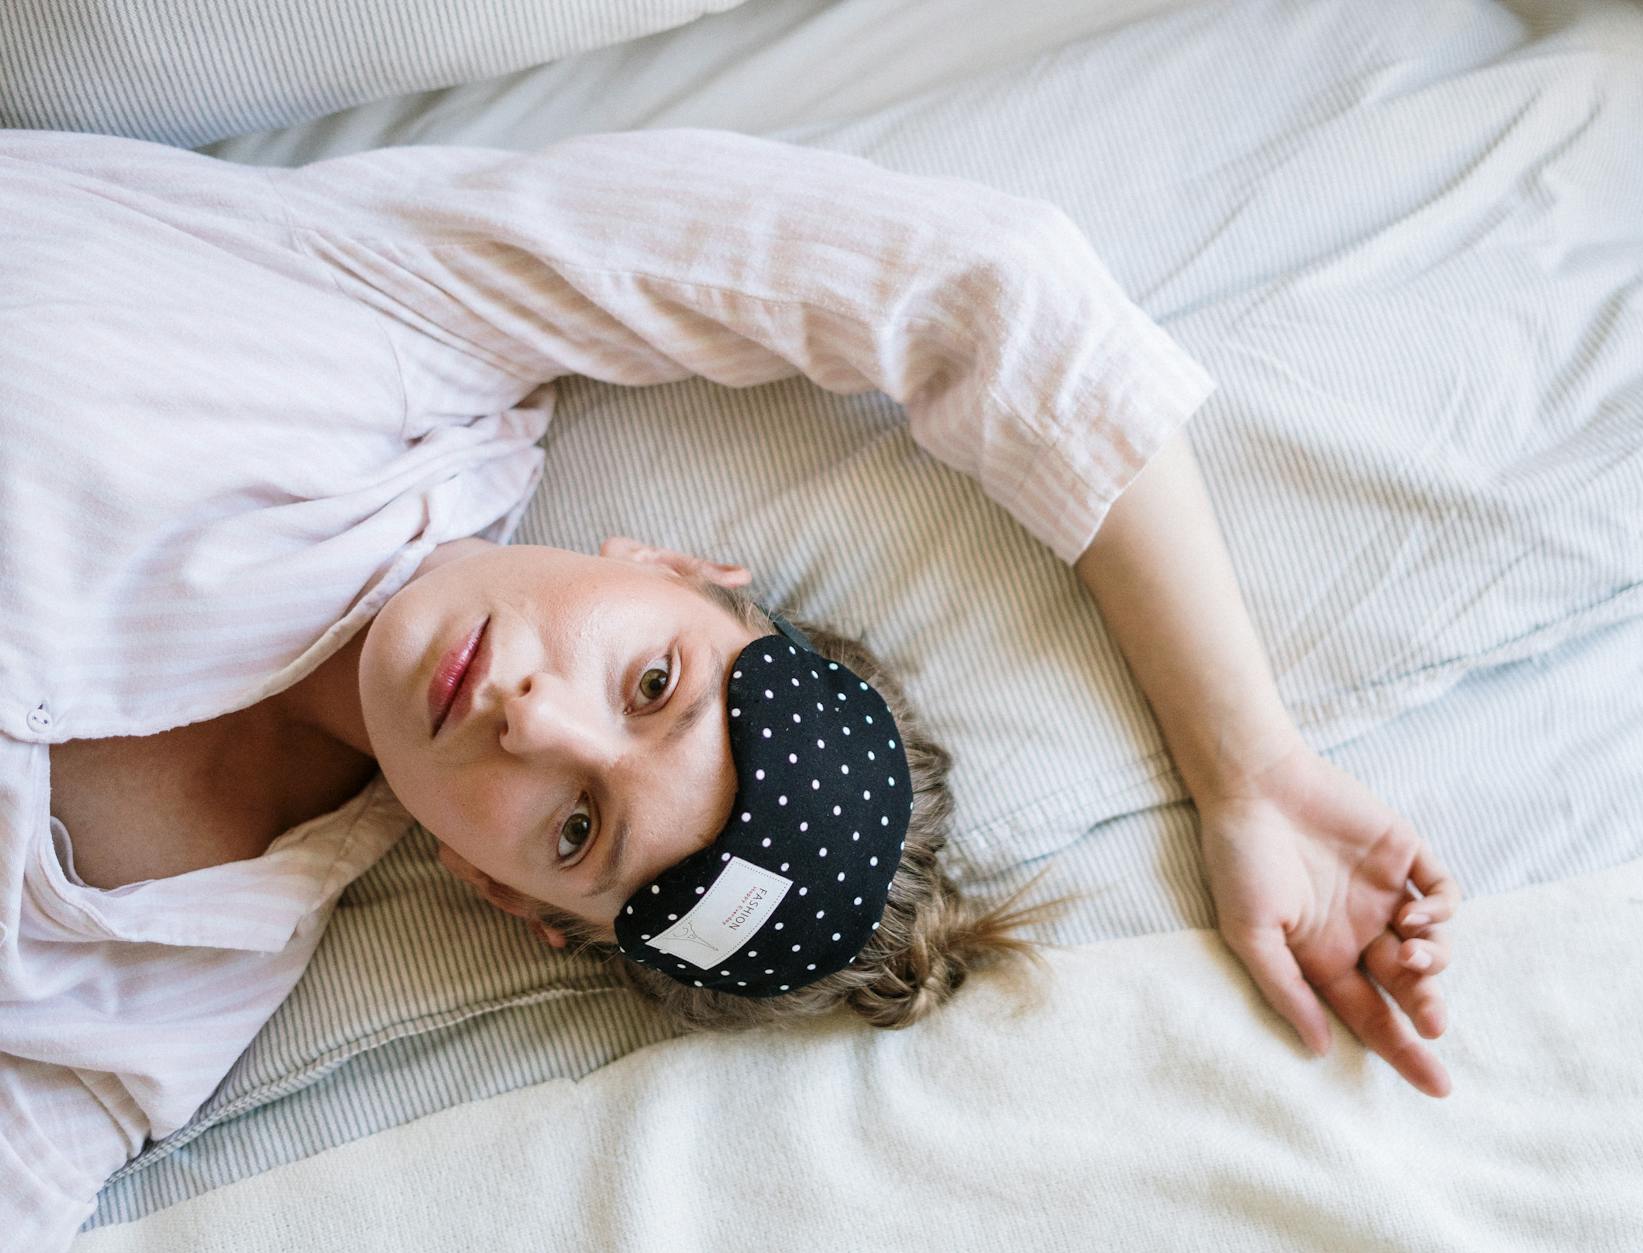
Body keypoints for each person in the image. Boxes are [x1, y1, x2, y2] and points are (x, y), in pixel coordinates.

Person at [0, 125, 1460, 1248]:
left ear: (505, 895)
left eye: (576, 829)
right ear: (677, 566)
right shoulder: (410, 317)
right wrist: (1250, 768)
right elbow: (983, 288)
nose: (536, 720)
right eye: (650, 680)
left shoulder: (147, 1009)